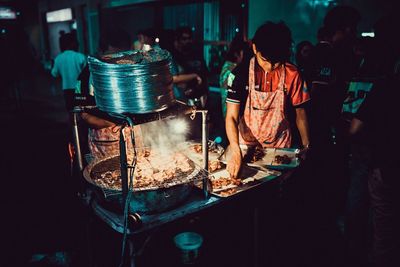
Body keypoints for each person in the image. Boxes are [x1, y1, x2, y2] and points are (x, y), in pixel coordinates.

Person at [225, 21, 311, 178]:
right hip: (246, 144)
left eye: (276, 62)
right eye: (265, 60)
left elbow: (300, 112)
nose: (270, 67)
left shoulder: (293, 74)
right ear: (254, 48)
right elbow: (231, 116)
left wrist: (306, 146)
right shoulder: (239, 75)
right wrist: (235, 149)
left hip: (280, 145)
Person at [171, 26, 209, 108]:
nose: (188, 41)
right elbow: (174, 78)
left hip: (199, 96)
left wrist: (205, 91)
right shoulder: (173, 57)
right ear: (178, 40)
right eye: (184, 39)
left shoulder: (196, 54)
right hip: (181, 98)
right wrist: (194, 76)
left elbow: (204, 73)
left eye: (189, 38)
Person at [51, 32, 87, 112]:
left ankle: (72, 123)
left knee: (70, 109)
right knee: (81, 108)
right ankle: (81, 122)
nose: (78, 44)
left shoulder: (58, 58)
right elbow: (86, 73)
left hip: (67, 89)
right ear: (73, 43)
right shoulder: (80, 56)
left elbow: (54, 74)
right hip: (79, 88)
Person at [219, 35, 250, 118]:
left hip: (230, 111)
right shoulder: (232, 70)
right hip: (231, 111)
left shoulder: (228, 67)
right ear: (237, 53)